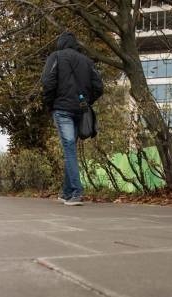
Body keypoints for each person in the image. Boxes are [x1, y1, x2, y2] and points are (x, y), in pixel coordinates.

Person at [41, 31, 103, 206]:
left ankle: (76, 192)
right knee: (70, 149)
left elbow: (48, 82)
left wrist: (50, 104)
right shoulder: (87, 61)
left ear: (61, 43)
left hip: (62, 109)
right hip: (80, 111)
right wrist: (86, 101)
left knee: (69, 150)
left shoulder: (56, 57)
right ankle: (67, 192)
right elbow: (99, 87)